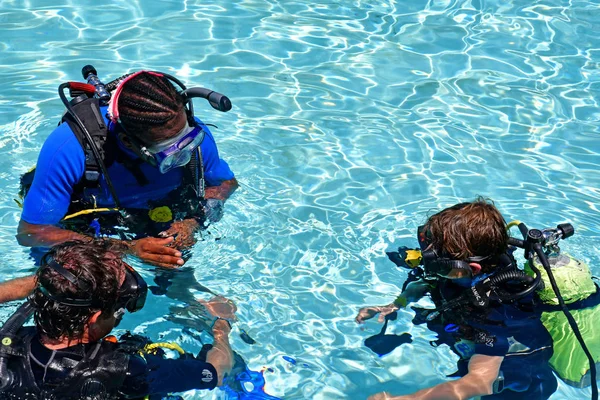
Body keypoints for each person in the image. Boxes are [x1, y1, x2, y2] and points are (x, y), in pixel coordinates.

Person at [357, 198, 600, 400]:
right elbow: (427, 284)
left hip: (517, 386)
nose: (426, 262)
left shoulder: (494, 311)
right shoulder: (463, 274)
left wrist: (406, 399)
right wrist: (394, 305)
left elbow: (480, 381)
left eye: (437, 263)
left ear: (469, 268)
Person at [16, 69, 238, 268]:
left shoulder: (195, 138)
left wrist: (193, 221)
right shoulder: (68, 150)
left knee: (176, 264)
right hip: (86, 222)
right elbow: (32, 233)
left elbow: (225, 184)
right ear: (129, 142)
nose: (184, 155)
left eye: (188, 139)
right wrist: (126, 248)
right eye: (169, 153)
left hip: (156, 211)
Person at [0, 239, 235, 399]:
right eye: (121, 308)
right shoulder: (125, 372)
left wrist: (58, 283)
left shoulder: (9, 345)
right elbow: (217, 372)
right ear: (95, 318)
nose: (121, 313)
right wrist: (221, 327)